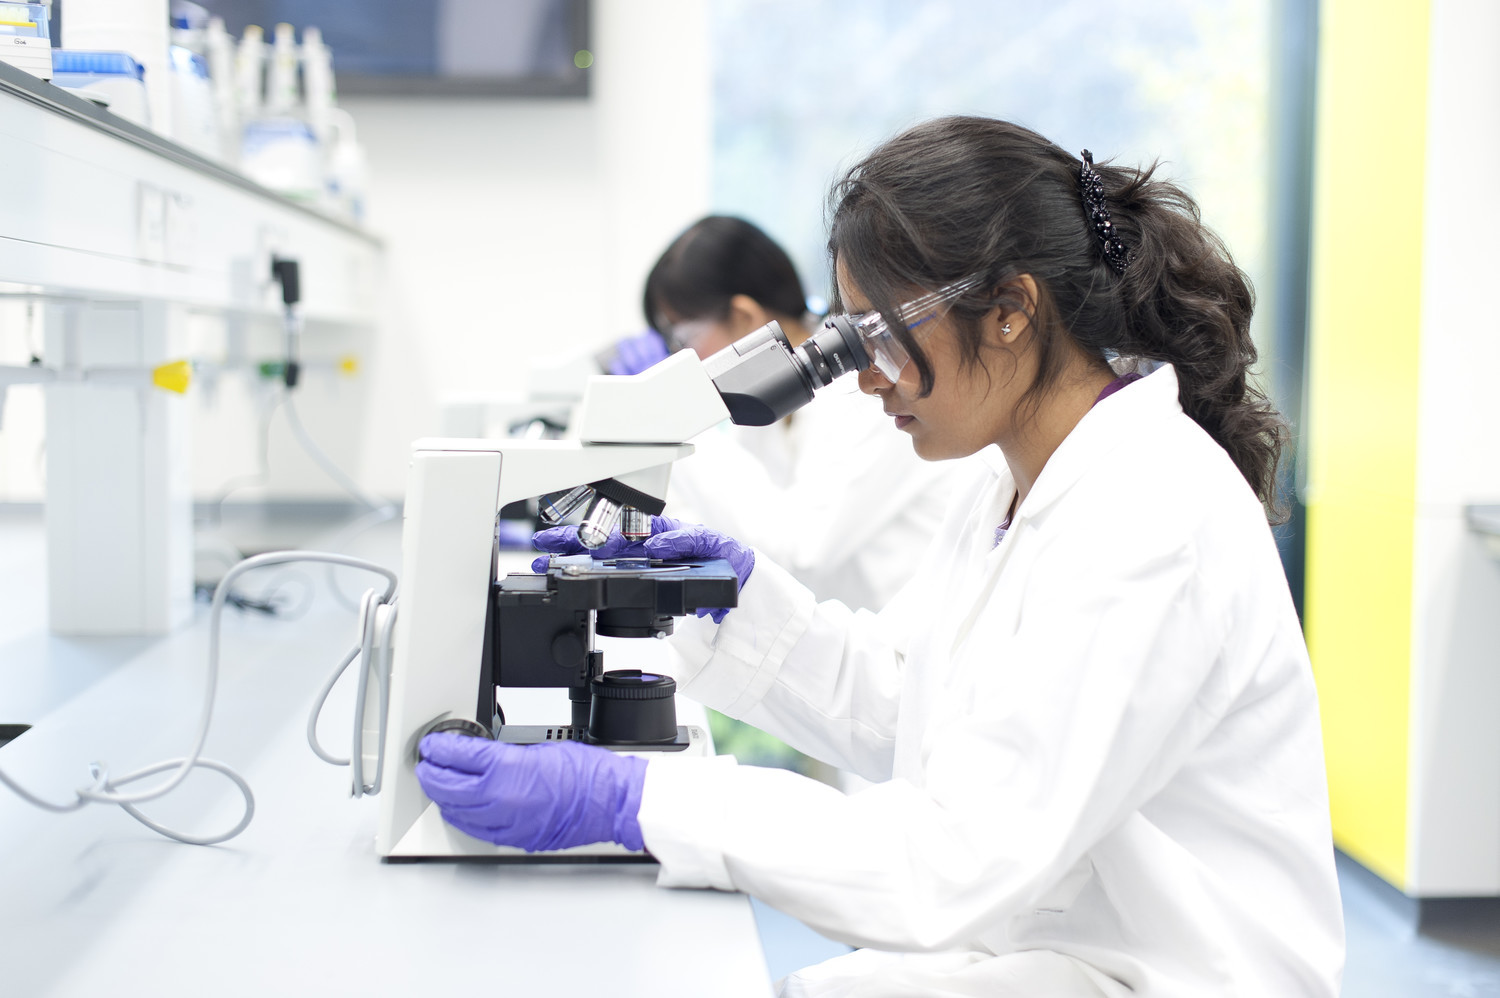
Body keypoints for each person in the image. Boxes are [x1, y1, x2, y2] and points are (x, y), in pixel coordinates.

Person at [415, 117, 1345, 996]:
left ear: (1012, 310)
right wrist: (730, 602)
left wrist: (640, 798)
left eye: (879, 333)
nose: (862, 378)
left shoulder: (1148, 511)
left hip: (1172, 972)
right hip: (1063, 945)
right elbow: (911, 704)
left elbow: (955, 857)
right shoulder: (1016, 486)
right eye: (848, 336)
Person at [638, 214, 972, 612]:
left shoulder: (869, 385)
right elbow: (738, 525)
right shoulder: (764, 404)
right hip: (841, 637)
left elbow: (800, 553)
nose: (678, 355)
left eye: (682, 337)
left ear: (745, 316)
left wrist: (674, 427)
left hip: (899, 646)